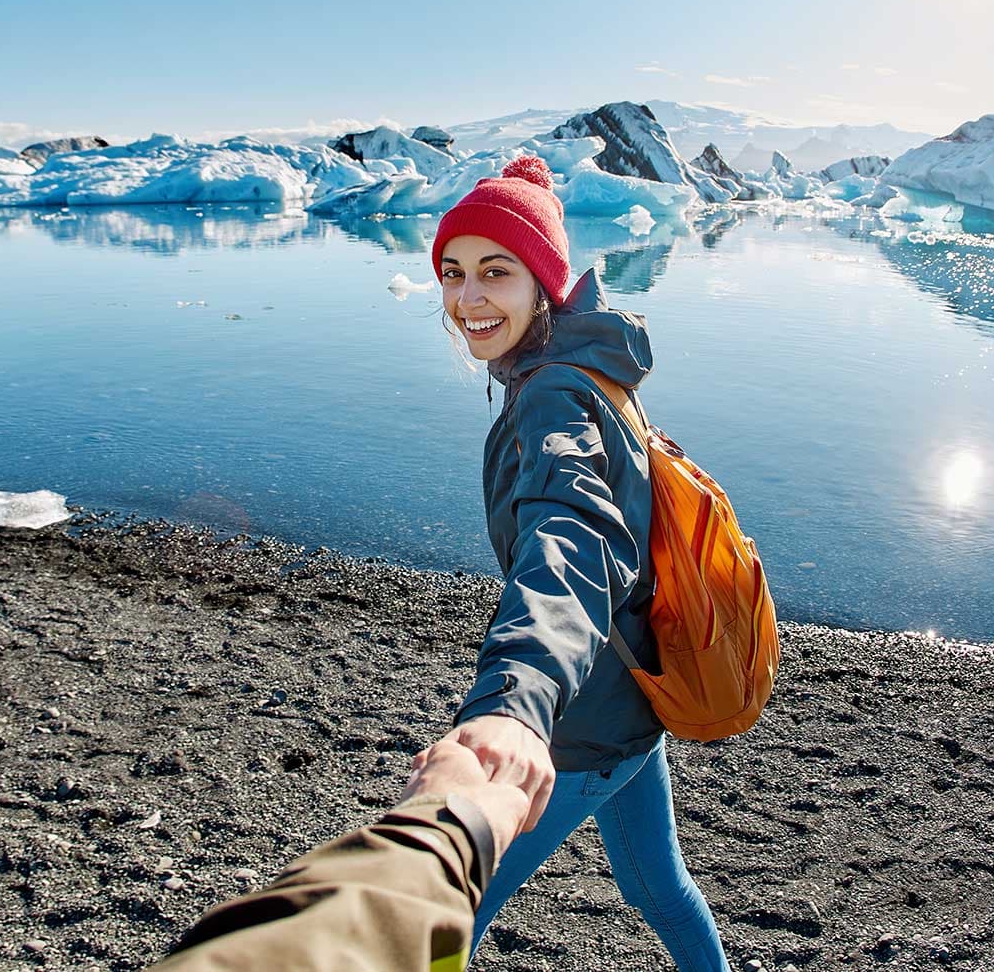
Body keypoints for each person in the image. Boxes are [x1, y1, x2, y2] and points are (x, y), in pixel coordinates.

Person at [428, 156, 730, 969]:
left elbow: (571, 542)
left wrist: (514, 708)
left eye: (496, 271)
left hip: (583, 721)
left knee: (446, 911)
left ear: (543, 284)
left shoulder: (555, 395)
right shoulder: (590, 367)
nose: (468, 299)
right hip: (631, 693)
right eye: (454, 273)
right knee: (659, 887)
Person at [149, 739, 529, 971]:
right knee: (464, 911)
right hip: (565, 758)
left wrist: (440, 827)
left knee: (462, 908)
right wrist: (448, 831)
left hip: (557, 756)